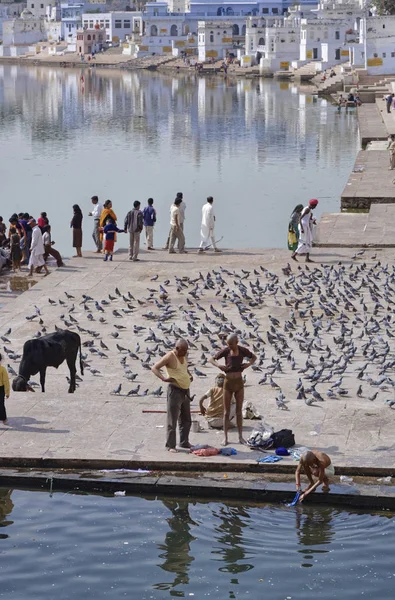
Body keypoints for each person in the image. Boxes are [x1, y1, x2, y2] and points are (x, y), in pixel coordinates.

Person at [209, 333, 256, 446]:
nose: (229, 346)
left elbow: (254, 357)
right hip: (228, 382)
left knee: (239, 412)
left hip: (239, 382)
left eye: (231, 344)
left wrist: (248, 365)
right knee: (226, 412)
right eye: (228, 344)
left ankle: (240, 437)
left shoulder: (242, 350)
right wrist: (218, 366)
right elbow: (211, 359)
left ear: (237, 342)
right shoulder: (225, 351)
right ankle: (225, 438)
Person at [151, 339, 193, 453]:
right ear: (177, 348)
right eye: (183, 350)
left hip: (185, 390)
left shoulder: (184, 355)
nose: (185, 353)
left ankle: (184, 442)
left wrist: (189, 375)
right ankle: (171, 445)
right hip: (175, 390)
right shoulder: (170, 356)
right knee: (172, 419)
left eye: (186, 350)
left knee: (186, 419)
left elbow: (184, 368)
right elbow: (154, 368)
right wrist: (163, 378)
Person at [291, 199, 318, 263]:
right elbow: (300, 218)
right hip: (303, 226)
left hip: (306, 226)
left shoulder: (308, 209)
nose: (315, 207)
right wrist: (302, 229)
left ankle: (307, 258)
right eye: (315, 206)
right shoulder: (307, 209)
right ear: (313, 205)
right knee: (303, 242)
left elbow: (308, 218)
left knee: (308, 242)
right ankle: (294, 255)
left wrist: (312, 221)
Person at [0, 353, 10, 425]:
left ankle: (3, 418)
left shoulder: (2, 369)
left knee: (1, 404)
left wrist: (7, 392)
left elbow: (6, 381)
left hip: (1, 389)